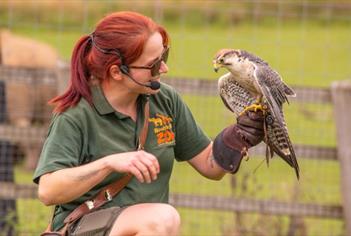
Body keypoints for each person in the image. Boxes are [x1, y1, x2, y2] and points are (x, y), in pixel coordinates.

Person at [33, 11, 264, 236]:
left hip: (147, 227)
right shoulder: (75, 115)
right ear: (116, 72)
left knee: (160, 219)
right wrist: (109, 164)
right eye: (154, 65)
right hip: (84, 228)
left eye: (165, 57)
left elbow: (209, 165)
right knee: (162, 219)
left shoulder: (164, 100)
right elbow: (48, 190)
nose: (164, 68)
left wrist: (239, 135)